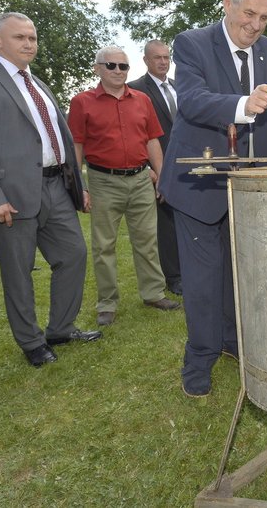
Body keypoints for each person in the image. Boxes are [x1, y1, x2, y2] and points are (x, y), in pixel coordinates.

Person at [160, 0, 267, 398]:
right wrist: (242, 104)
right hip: (199, 186)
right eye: (248, 13)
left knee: (241, 273)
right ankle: (199, 358)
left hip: (252, 191)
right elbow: (191, 101)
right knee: (204, 278)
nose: (255, 25)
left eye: (264, 17)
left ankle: (231, 340)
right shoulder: (192, 44)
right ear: (226, 3)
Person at [0, 12, 101, 368]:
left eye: (32, 37)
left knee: (74, 255)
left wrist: (78, 187)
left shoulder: (39, 84)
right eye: (19, 37)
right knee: (18, 271)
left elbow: (57, 138)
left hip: (55, 188)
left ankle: (61, 328)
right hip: (10, 197)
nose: (28, 44)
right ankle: (31, 342)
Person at [68, 46, 180, 327]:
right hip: (104, 182)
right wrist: (79, 185)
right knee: (104, 245)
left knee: (147, 241)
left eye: (123, 66)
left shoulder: (142, 100)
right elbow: (76, 146)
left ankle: (153, 293)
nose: (118, 71)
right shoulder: (82, 102)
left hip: (142, 179)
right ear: (97, 68)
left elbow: (153, 140)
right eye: (111, 66)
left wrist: (161, 176)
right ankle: (107, 303)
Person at [128, 40, 183, 297]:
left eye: (166, 57)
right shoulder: (136, 90)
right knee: (166, 223)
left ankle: (188, 269)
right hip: (156, 166)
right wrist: (147, 166)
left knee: (186, 219)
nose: (163, 62)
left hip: (184, 163)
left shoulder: (178, 87)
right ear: (146, 60)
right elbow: (133, 133)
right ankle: (173, 277)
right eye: (157, 58)